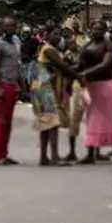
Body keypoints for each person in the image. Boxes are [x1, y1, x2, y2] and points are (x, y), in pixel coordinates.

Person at [32, 25, 78, 166]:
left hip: (44, 88)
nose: (58, 37)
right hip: (46, 89)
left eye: (60, 34)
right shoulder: (49, 49)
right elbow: (62, 66)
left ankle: (44, 157)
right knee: (51, 123)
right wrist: (78, 76)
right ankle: (54, 156)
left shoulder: (50, 49)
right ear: (48, 35)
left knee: (45, 122)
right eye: (55, 34)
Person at [76, 20, 112, 164]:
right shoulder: (87, 46)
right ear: (90, 30)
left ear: (105, 31)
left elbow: (106, 64)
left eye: (100, 29)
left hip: (107, 85)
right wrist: (67, 69)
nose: (97, 32)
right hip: (92, 86)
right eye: (95, 29)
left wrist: (86, 73)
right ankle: (91, 153)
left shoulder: (109, 45)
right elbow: (79, 64)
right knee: (92, 120)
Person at [0, 17, 26, 166]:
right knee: (0, 121)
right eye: (7, 25)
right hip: (2, 86)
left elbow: (18, 66)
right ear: (2, 27)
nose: (10, 28)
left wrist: (21, 86)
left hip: (12, 85)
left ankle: (4, 153)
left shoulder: (15, 44)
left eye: (13, 25)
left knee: (8, 122)